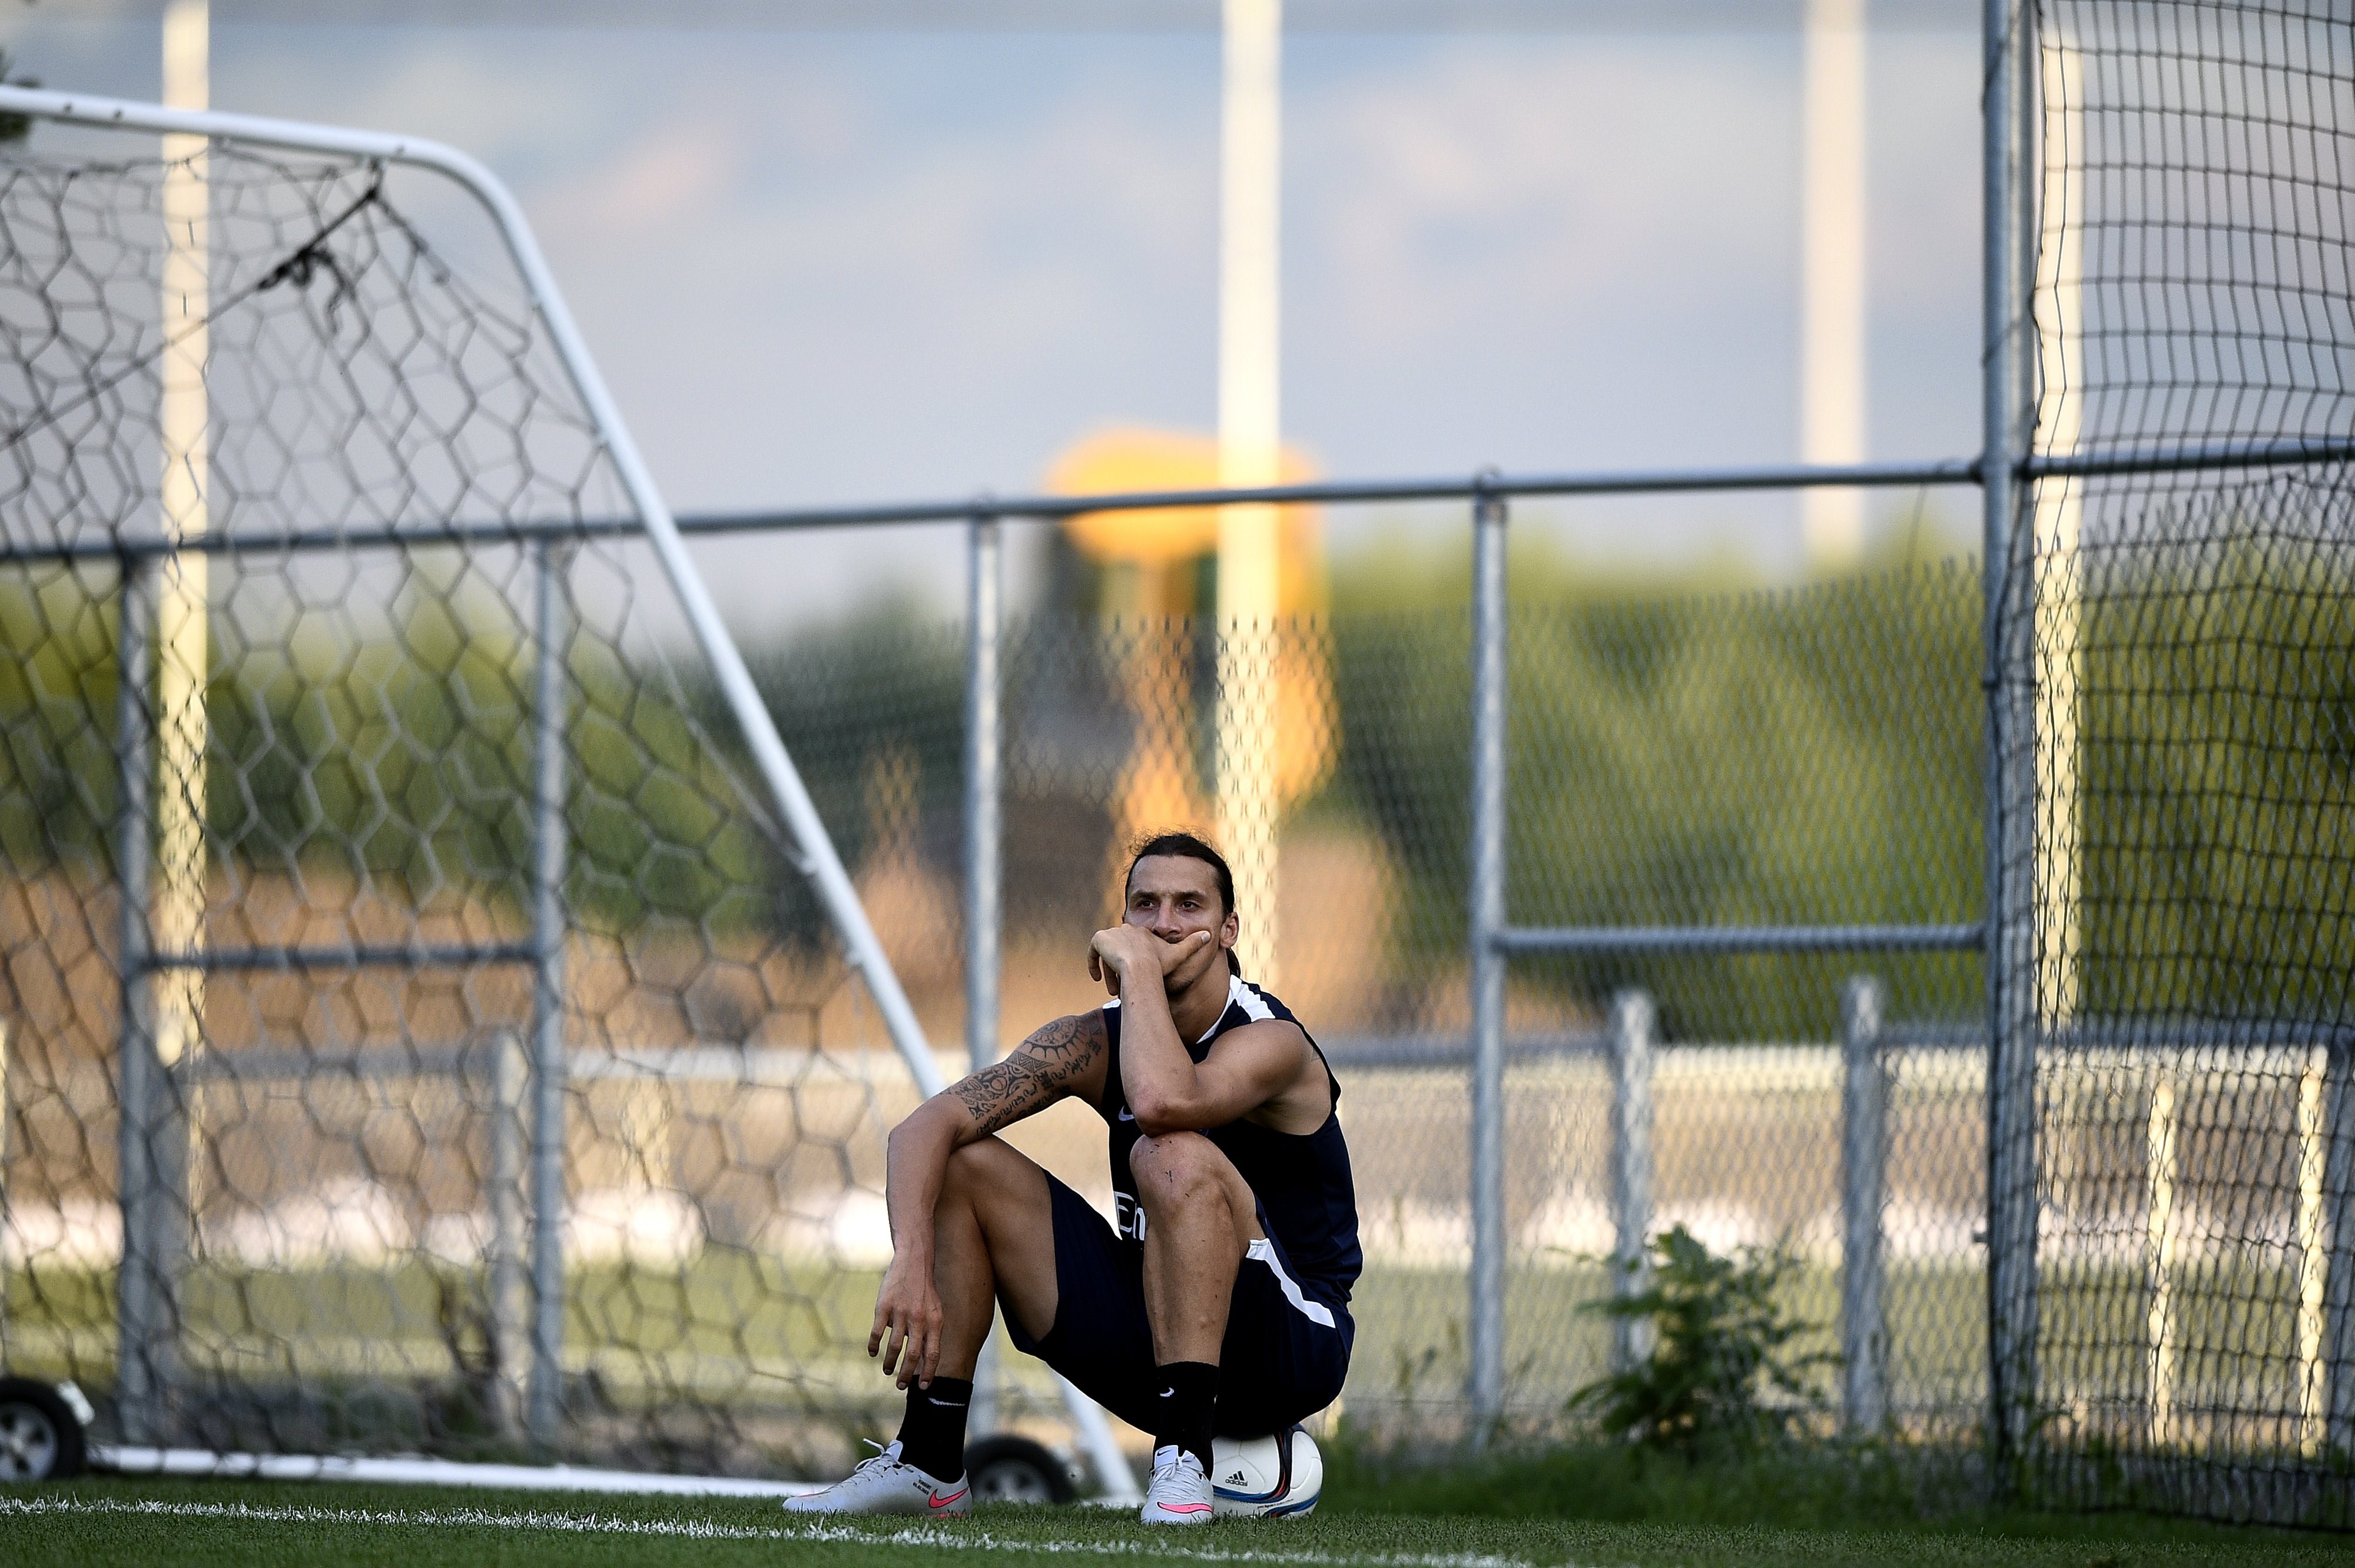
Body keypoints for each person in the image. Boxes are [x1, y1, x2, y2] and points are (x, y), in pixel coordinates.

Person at [784, 830, 1361, 1524]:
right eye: (1144, 906)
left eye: (1188, 905)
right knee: (963, 1161)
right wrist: (909, 1261)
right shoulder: (1094, 1040)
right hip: (1159, 1327)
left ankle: (1182, 1462)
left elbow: (1161, 1105)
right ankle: (929, 1461)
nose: (1165, 923)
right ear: (1121, 920)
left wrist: (1140, 972)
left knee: (1167, 1152)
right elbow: (920, 1129)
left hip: (1289, 1345)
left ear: (1229, 930)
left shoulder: (1271, 1041)